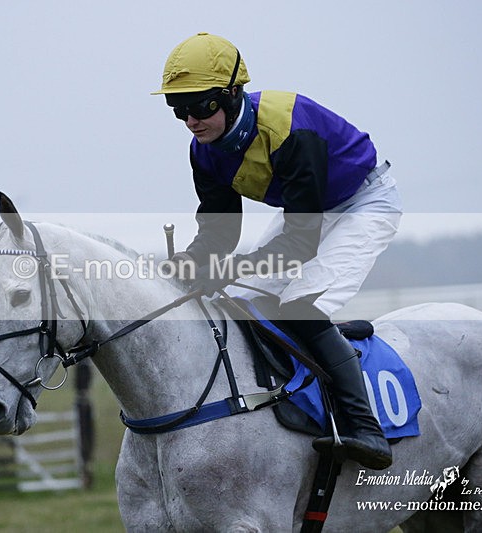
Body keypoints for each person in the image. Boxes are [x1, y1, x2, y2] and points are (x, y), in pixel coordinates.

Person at [153, 32, 402, 470]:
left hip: (362, 203)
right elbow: (219, 232)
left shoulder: (289, 129)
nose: (191, 120)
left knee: (301, 306)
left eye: (201, 106)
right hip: (308, 212)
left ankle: (366, 428)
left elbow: (301, 244)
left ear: (233, 93)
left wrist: (228, 268)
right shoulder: (204, 151)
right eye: (179, 109)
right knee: (240, 300)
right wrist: (191, 262)